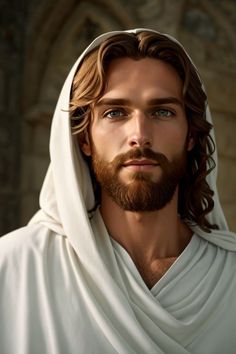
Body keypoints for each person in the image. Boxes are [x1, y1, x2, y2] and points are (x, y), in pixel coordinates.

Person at [0, 28, 236, 354]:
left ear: (191, 135)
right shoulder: (16, 269)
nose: (139, 135)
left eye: (162, 111)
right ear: (84, 139)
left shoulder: (231, 277)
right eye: (115, 113)